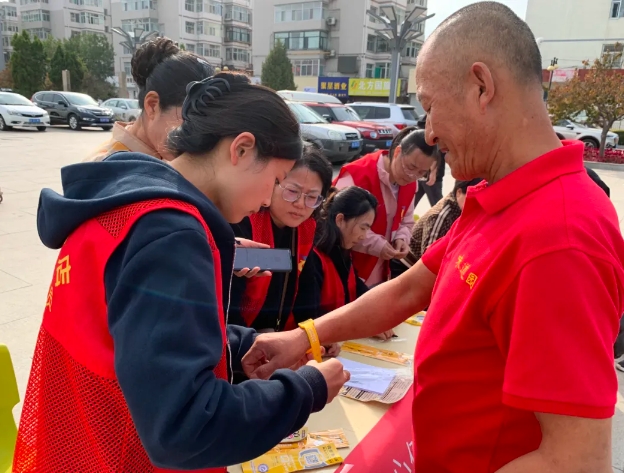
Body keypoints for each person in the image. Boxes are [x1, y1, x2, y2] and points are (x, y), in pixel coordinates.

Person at [241, 3, 624, 473]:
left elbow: (575, 461)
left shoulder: (561, 237)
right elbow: (411, 286)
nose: (429, 131)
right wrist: (303, 338)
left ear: (481, 86)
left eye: (429, 105)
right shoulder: (499, 198)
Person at [13, 73, 349, 473]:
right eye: (275, 181)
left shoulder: (125, 207)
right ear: (241, 149)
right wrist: (306, 390)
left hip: (77, 446)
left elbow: (133, 339)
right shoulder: (171, 236)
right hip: (122, 457)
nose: (264, 201)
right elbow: (185, 426)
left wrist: (242, 346)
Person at [228, 146, 333, 333]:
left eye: (312, 197)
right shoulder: (243, 222)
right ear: (272, 183)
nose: (300, 204)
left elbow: (307, 292)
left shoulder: (306, 229)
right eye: (292, 191)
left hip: (277, 336)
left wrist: (313, 333)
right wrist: (251, 338)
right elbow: (229, 296)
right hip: (239, 338)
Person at [334, 127, 437, 287]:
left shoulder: (410, 183)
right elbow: (338, 224)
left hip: (380, 272)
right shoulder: (357, 175)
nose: (413, 176)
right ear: (397, 152)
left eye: (422, 173)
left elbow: (407, 220)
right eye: (410, 167)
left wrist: (402, 239)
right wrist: (379, 245)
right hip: (345, 268)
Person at [86, 36, 214, 162]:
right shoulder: (109, 170)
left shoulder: (161, 156)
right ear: (152, 105)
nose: (198, 137)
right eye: (190, 122)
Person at [294, 186, 377, 324]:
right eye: (363, 228)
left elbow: (360, 293)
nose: (364, 236)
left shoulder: (344, 251)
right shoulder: (313, 257)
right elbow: (308, 316)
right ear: (340, 220)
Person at [408, 178, 482, 264]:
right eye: (473, 199)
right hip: (407, 265)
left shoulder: (462, 207)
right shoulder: (443, 216)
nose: (476, 205)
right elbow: (429, 260)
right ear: (458, 193)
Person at [413, 114, 445, 207]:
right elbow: (435, 150)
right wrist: (433, 172)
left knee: (410, 203)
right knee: (438, 207)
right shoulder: (435, 126)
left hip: (420, 172)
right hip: (429, 174)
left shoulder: (423, 122)